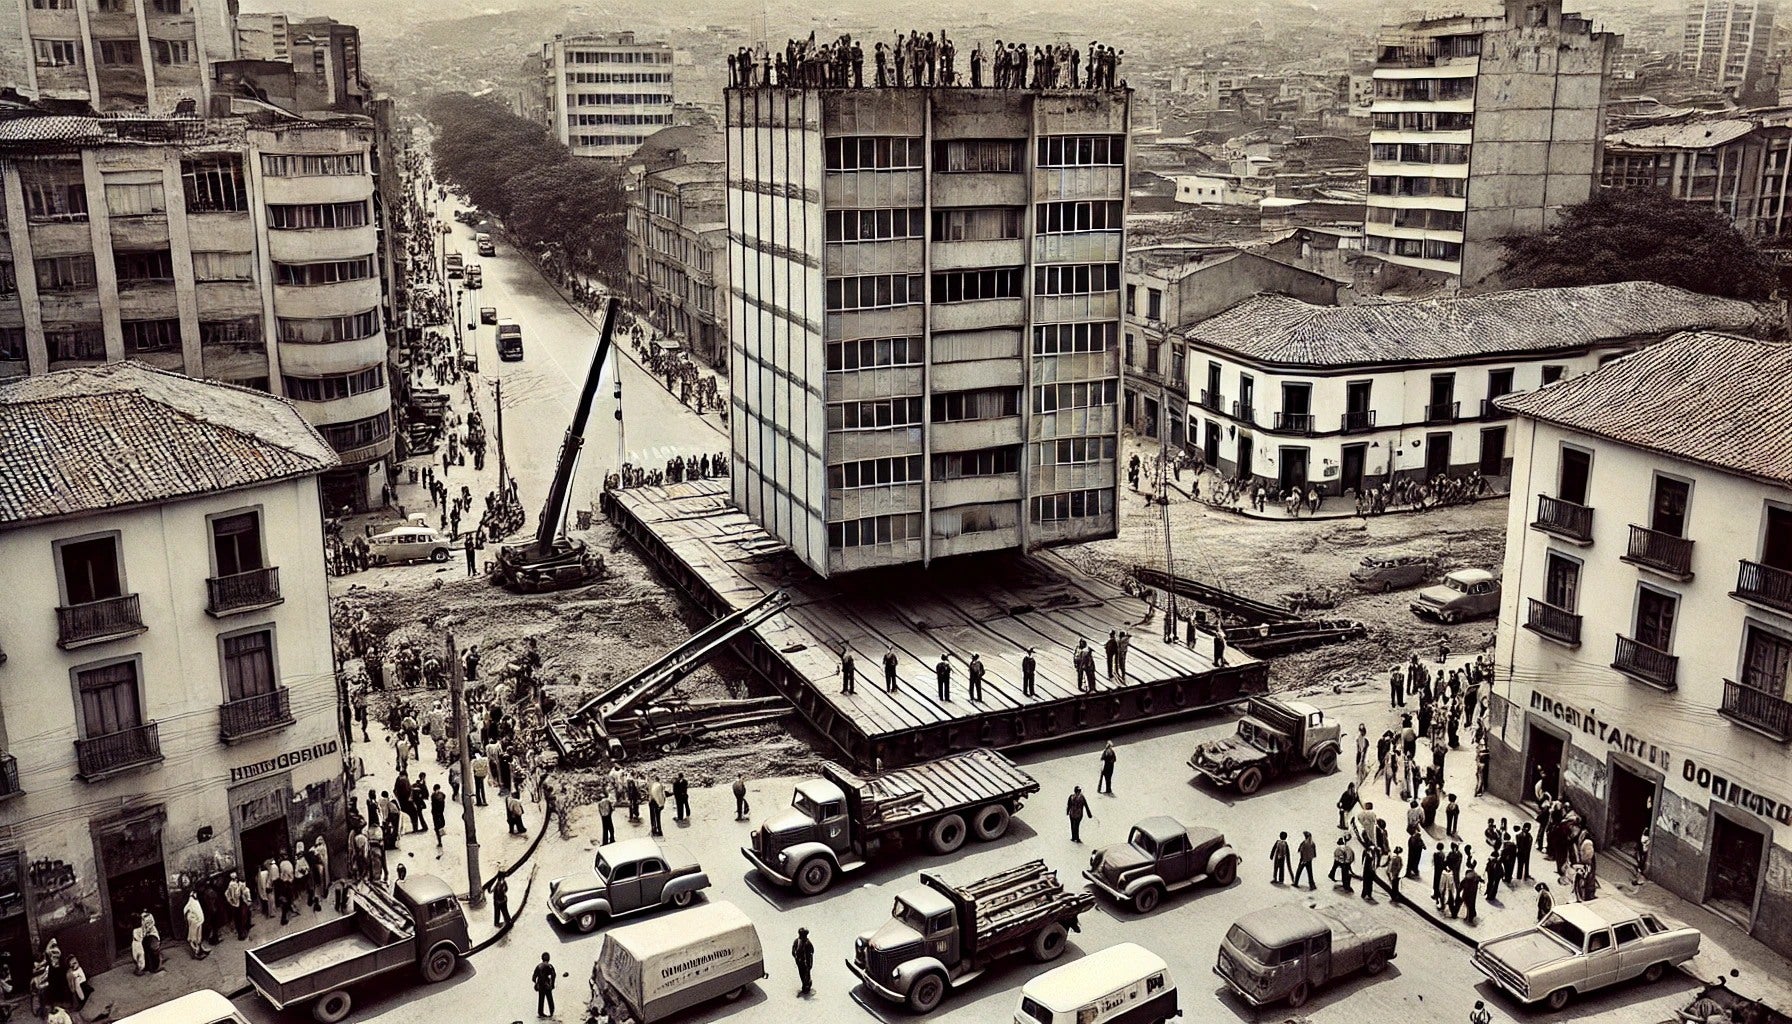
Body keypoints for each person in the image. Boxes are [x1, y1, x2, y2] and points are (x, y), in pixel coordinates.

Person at [183, 891, 208, 959]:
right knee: (193, 937)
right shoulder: (191, 902)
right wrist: (191, 918)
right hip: (194, 922)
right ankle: (196, 953)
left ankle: (200, 949)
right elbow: (186, 910)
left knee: (198, 936)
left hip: (198, 921)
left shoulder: (195, 901)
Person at [533, 951, 557, 1018]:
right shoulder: (550, 966)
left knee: (541, 999)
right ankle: (551, 1012)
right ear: (549, 958)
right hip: (547, 984)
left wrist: (536, 983)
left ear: (542, 958)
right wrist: (552, 984)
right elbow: (553, 975)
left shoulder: (538, 966)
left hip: (540, 984)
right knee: (550, 998)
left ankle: (541, 1013)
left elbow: (533, 977)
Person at [792, 927, 815, 996]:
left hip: (806, 963)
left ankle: (806, 986)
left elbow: (811, 953)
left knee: (806, 974)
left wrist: (809, 964)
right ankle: (805, 985)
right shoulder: (797, 941)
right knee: (802, 974)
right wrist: (796, 957)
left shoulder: (808, 943)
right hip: (800, 962)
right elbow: (793, 950)